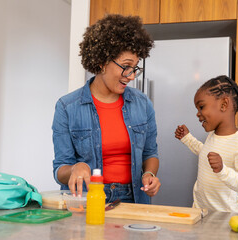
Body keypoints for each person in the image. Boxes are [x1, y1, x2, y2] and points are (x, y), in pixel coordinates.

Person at [52, 14, 161, 204]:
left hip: (135, 199)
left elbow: (150, 153)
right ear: (102, 62)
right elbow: (60, 169)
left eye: (135, 68)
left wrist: (150, 174)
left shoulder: (143, 104)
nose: (131, 76)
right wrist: (75, 168)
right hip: (88, 199)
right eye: (126, 66)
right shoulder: (67, 107)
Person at [175, 75, 238, 212]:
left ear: (224, 104)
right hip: (200, 215)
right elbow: (206, 153)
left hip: (225, 223)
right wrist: (187, 138)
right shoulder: (213, 136)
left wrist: (223, 170)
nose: (198, 114)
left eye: (201, 106)